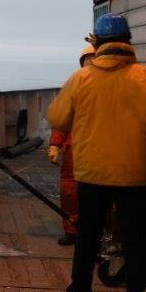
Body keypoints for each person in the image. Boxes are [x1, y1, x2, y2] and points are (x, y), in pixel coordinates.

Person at [49, 13, 146, 292]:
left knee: (87, 237)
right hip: (137, 176)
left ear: (98, 43)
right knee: (135, 243)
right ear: (128, 41)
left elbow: (58, 117)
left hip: (93, 174)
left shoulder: (81, 79)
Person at [47, 44, 96, 246]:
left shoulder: (109, 89)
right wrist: (55, 145)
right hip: (73, 153)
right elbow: (62, 121)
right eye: (87, 60)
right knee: (69, 193)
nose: (91, 63)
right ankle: (71, 230)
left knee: (95, 195)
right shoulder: (73, 88)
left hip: (97, 153)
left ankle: (95, 232)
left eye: (94, 59)